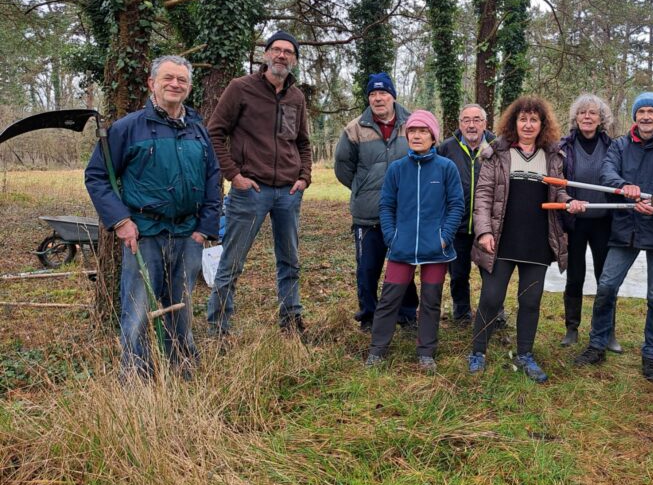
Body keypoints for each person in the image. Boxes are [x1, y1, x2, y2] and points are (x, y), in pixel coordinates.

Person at [85, 55, 221, 378]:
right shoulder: (127, 129)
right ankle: (136, 376)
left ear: (188, 87)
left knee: (182, 308)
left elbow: (213, 179)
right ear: (152, 84)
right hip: (143, 234)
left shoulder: (198, 130)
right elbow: (97, 176)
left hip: (188, 235)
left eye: (182, 80)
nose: (175, 84)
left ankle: (182, 369)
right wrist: (120, 221)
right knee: (138, 310)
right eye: (168, 78)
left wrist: (204, 229)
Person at [573, 91, 653, 383]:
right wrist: (623, 186)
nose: (646, 116)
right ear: (635, 117)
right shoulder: (620, 145)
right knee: (606, 287)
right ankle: (597, 345)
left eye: (652, 111)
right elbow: (607, 172)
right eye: (641, 112)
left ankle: (651, 354)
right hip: (626, 228)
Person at [468, 95, 583, 383]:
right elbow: (482, 196)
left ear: (542, 123)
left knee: (530, 301)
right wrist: (483, 231)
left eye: (534, 119)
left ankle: (525, 354)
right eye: (523, 119)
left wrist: (570, 203)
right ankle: (478, 352)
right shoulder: (497, 152)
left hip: (538, 242)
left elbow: (559, 193)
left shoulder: (554, 155)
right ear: (514, 122)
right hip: (501, 240)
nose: (528, 124)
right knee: (491, 298)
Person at [206, 31, 312, 338]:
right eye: (276, 50)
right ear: (265, 55)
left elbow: (303, 142)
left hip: (288, 193)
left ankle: (291, 322)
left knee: (290, 261)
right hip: (250, 192)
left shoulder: (296, 97)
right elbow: (214, 133)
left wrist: (304, 177)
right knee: (232, 262)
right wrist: (234, 175)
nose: (281, 55)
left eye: (288, 52)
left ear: (294, 59)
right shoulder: (241, 89)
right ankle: (219, 330)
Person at [365, 110, 464, 372]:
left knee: (431, 300)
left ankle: (426, 352)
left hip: (436, 250)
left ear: (433, 137)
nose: (417, 135)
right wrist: (391, 237)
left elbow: (456, 205)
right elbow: (386, 206)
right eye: (412, 131)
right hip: (402, 248)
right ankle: (377, 350)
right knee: (389, 298)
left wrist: (444, 238)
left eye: (423, 131)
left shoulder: (446, 168)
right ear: (406, 135)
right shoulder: (397, 169)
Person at [334, 72, 418, 330]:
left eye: (383, 93)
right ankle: (369, 316)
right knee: (367, 269)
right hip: (367, 214)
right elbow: (342, 167)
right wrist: (364, 187)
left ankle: (406, 314)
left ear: (393, 96)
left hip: (404, 212)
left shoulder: (413, 124)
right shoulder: (354, 128)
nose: (378, 98)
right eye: (373, 94)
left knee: (403, 265)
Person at [557, 94, 622, 351]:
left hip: (603, 222)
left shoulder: (613, 146)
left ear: (600, 118)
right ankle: (572, 328)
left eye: (592, 113)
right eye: (582, 112)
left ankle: (608, 331)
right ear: (576, 117)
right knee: (575, 277)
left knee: (605, 279)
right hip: (575, 222)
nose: (587, 117)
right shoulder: (564, 146)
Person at [437, 103, 495, 325]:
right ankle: (461, 314)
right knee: (459, 275)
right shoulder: (446, 148)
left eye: (476, 120)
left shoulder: (497, 148)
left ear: (485, 123)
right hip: (457, 226)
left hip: (487, 226)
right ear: (460, 124)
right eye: (466, 120)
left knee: (490, 274)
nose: (471, 125)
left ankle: (493, 314)